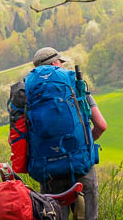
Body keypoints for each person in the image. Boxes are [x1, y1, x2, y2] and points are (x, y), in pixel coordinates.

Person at [31, 47, 107, 220]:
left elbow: (15, 140)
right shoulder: (74, 84)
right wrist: (82, 146)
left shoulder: (29, 93)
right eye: (61, 63)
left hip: (49, 173)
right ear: (55, 64)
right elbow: (101, 125)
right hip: (81, 167)